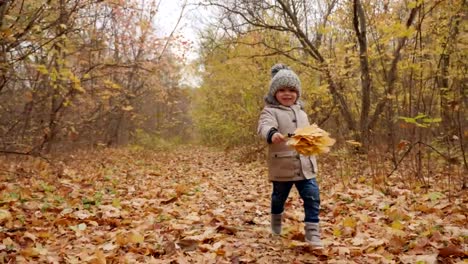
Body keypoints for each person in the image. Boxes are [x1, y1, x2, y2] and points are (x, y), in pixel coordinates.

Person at [257, 63, 322, 248]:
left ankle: (313, 233)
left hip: (306, 165)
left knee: (312, 196)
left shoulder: (302, 112)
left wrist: (314, 140)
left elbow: (304, 133)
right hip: (282, 166)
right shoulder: (270, 111)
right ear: (274, 93)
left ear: (298, 93)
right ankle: (276, 225)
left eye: (292, 90)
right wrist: (271, 133)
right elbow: (264, 125)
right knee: (279, 198)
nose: (287, 94)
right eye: (282, 90)